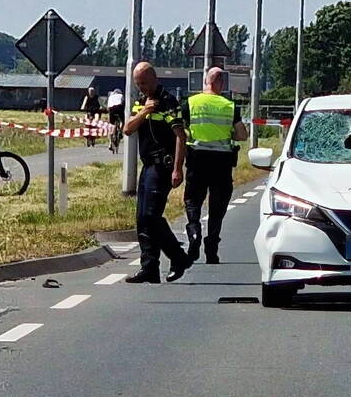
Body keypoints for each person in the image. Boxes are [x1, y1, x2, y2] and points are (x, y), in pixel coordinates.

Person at [122, 62, 192, 283]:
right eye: (138, 84)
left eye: (143, 83)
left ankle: (178, 257)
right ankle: (149, 267)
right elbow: (128, 129)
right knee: (142, 219)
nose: (141, 87)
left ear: (153, 78)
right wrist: (145, 111)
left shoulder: (168, 101)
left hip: (163, 165)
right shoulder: (141, 102)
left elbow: (181, 137)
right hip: (147, 165)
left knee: (152, 216)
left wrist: (177, 169)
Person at [182, 67, 249, 264]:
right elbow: (242, 135)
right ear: (220, 83)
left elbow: (181, 131)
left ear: (205, 81)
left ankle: (194, 231)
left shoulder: (191, 103)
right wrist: (228, 134)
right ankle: (211, 248)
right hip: (222, 162)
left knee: (193, 200)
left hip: (197, 159)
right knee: (217, 207)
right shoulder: (229, 106)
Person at [106, 88, 125, 153]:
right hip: (119, 108)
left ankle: (110, 143)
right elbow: (124, 105)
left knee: (111, 125)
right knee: (122, 121)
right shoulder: (121, 96)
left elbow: (108, 108)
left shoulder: (110, 96)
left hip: (111, 110)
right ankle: (120, 131)